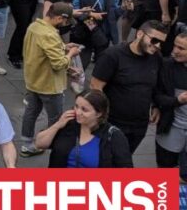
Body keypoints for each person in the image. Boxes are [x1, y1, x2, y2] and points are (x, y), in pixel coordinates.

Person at [91, 20, 167, 153]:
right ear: (139, 34)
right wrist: (101, 120)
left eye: (162, 42)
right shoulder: (113, 55)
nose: (158, 46)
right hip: (113, 123)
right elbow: (95, 86)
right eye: (154, 40)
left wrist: (155, 106)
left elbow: (156, 85)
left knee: (125, 158)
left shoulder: (156, 57)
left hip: (140, 125)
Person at [18, 2, 81, 157]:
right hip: (49, 85)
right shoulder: (50, 34)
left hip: (33, 80)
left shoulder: (34, 27)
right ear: (59, 18)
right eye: (66, 21)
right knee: (56, 119)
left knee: (31, 112)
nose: (65, 24)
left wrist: (63, 47)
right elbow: (58, 64)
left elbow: (42, 49)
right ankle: (53, 145)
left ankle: (26, 144)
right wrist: (71, 53)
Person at [34, 90, 133, 168]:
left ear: (98, 114)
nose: (78, 112)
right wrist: (58, 125)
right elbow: (39, 143)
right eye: (76, 106)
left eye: (84, 110)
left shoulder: (114, 136)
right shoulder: (68, 124)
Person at [152, 33, 187, 171]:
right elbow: (156, 95)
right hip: (170, 130)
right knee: (165, 168)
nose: (175, 51)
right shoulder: (167, 66)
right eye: (175, 46)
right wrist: (177, 100)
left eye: (181, 48)